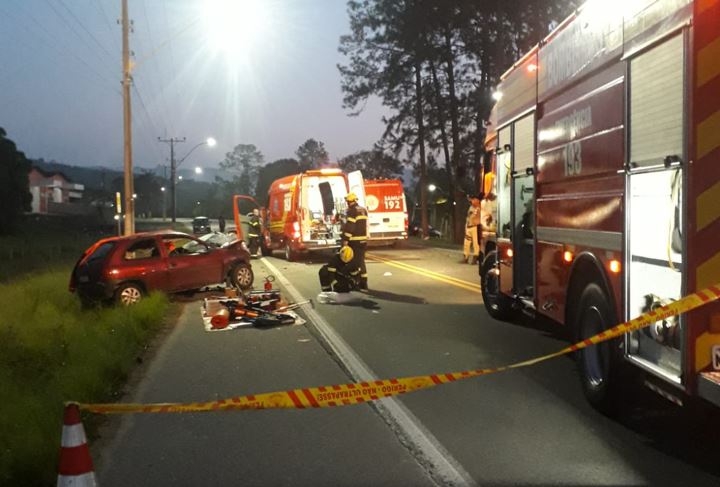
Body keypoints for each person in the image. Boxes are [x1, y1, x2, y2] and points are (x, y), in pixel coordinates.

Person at [341, 192, 369, 291]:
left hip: (354, 241)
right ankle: (362, 284)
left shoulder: (352, 211)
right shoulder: (363, 210)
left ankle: (358, 282)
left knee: (352, 262)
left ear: (349, 201)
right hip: (363, 240)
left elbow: (350, 227)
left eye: (347, 201)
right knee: (361, 261)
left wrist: (345, 240)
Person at [463, 194, 483, 264]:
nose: (472, 201)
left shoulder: (479, 208)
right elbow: (468, 216)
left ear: (477, 201)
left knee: (475, 243)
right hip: (469, 226)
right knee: (466, 243)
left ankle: (475, 257)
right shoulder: (471, 207)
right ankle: (466, 257)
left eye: (474, 200)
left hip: (475, 227)